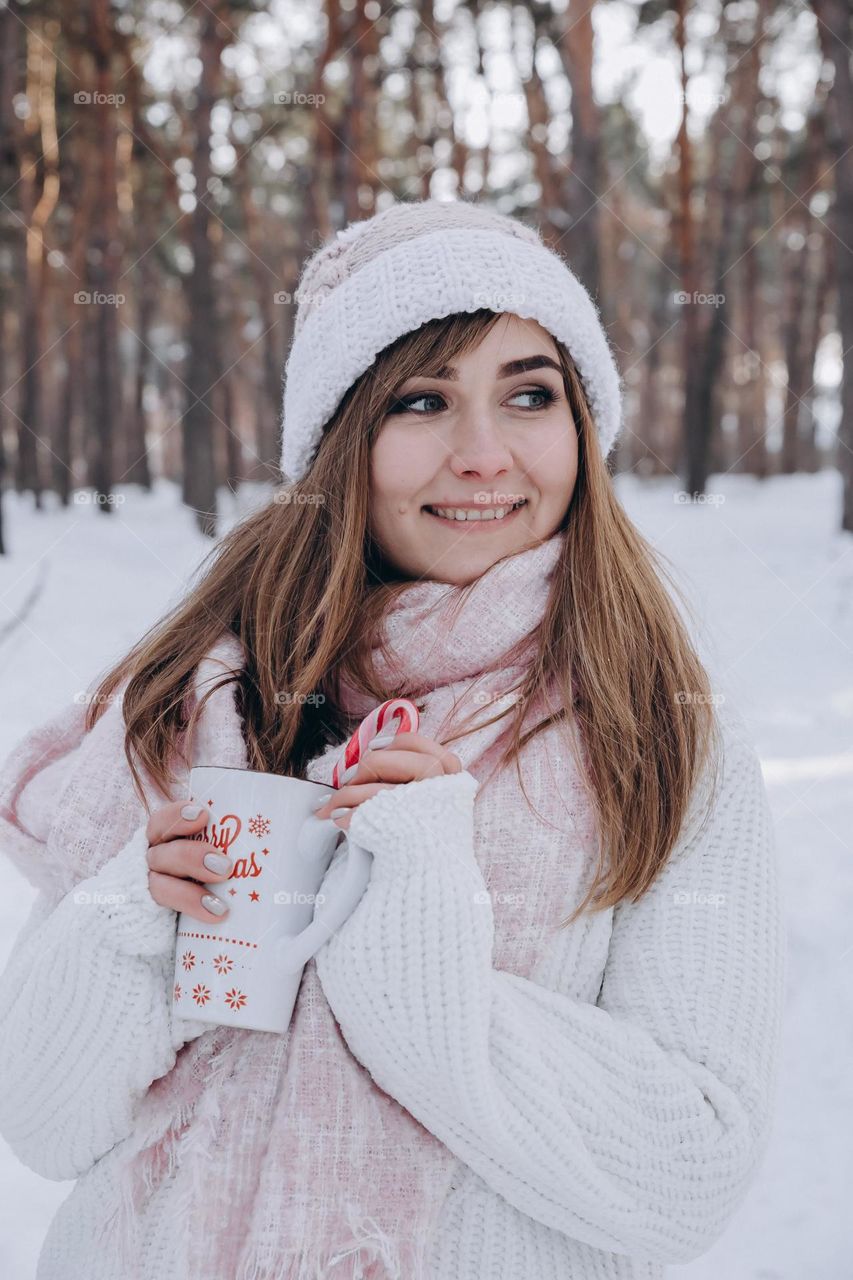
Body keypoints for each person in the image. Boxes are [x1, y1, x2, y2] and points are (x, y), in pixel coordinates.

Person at [0, 199, 786, 1280]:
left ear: (582, 431)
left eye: (528, 394)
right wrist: (130, 915)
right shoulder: (198, 699)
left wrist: (410, 920)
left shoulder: (660, 735)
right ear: (341, 440)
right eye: (422, 400)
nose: (482, 455)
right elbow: (45, 1124)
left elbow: (686, 1163)